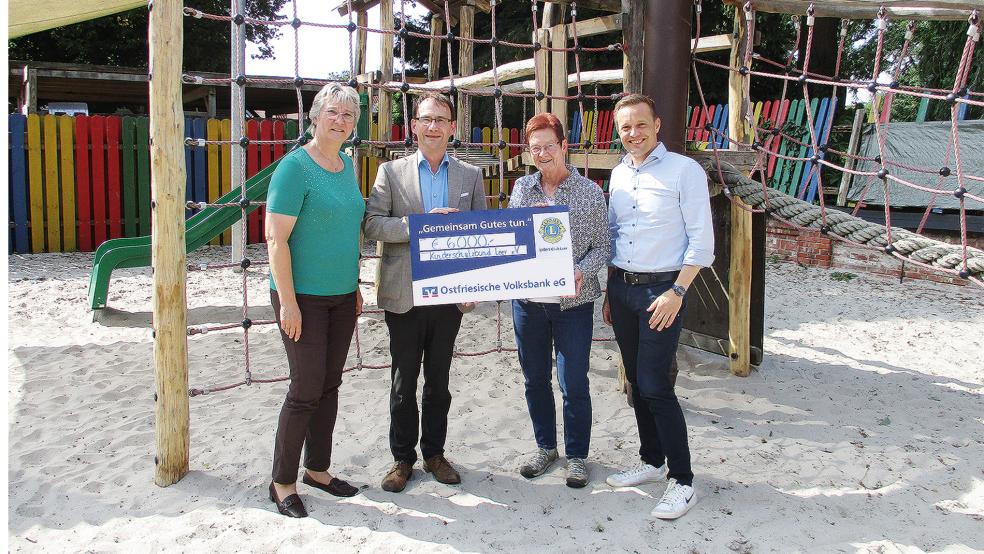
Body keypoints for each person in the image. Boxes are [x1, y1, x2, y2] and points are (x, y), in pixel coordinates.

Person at [363, 92, 488, 493]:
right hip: (404, 292)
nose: (433, 126)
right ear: (413, 126)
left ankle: (435, 453)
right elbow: (373, 225)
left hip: (449, 295)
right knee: (403, 381)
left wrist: (472, 286)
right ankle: (402, 459)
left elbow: (480, 235)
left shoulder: (470, 176)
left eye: (441, 120)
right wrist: (420, 226)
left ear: (453, 128)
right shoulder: (390, 172)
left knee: (439, 380)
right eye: (426, 119)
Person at [602, 93, 714, 520]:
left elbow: (702, 242)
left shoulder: (684, 172)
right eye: (625, 126)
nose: (633, 133)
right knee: (635, 381)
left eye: (640, 125)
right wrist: (613, 291)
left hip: (663, 292)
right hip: (623, 289)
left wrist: (678, 292)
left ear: (658, 124)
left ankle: (683, 481)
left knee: (655, 385)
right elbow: (614, 234)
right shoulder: (617, 175)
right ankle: (652, 461)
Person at [265, 83, 365, 518]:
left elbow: (344, 232)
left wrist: (355, 283)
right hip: (301, 296)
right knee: (305, 389)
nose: (340, 120)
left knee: (329, 385)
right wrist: (288, 302)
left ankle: (318, 470)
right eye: (333, 112)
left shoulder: (347, 165)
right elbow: (275, 239)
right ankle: (282, 481)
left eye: (349, 115)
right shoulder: (294, 168)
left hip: (342, 295)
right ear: (315, 116)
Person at [508, 113, 609, 488]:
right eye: (536, 148)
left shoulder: (590, 192)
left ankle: (577, 456)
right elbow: (510, 242)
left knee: (573, 381)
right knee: (535, 379)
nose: (543, 153)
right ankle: (546, 447)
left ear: (564, 146)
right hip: (529, 303)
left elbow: (603, 246)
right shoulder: (522, 188)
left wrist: (582, 269)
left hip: (573, 303)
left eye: (549, 146)